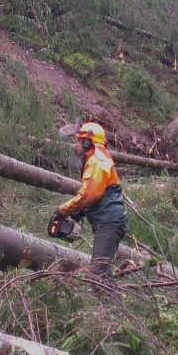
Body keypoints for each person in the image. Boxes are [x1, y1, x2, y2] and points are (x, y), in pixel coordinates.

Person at [54, 121, 129, 282]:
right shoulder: (96, 160)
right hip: (108, 222)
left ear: (88, 142)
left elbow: (89, 195)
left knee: (97, 274)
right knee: (102, 274)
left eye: (78, 141)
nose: (76, 146)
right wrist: (80, 211)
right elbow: (95, 193)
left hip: (109, 223)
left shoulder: (97, 162)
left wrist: (63, 210)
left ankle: (111, 307)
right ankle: (113, 306)